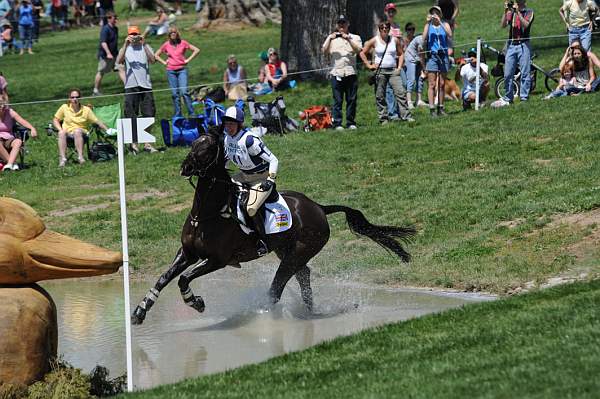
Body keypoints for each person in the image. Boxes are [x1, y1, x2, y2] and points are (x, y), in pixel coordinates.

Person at [223, 106, 278, 256]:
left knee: (251, 208)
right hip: (244, 175)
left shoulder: (249, 140)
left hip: (262, 177)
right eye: (226, 123)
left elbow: (273, 159)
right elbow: (227, 161)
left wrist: (271, 180)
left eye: (232, 124)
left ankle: (263, 241)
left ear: (239, 124)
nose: (228, 127)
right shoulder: (227, 138)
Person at [360, 21, 414, 125]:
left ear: (389, 29)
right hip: (380, 71)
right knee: (380, 95)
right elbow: (362, 52)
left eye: (386, 27)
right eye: (382, 28)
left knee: (400, 92)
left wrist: (399, 67)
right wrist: (368, 65)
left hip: (393, 70)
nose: (384, 29)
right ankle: (383, 118)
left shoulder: (394, 40)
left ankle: (406, 116)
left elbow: (401, 53)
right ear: (379, 29)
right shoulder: (375, 40)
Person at [116, 25, 158, 154]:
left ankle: (147, 143)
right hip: (131, 86)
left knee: (149, 114)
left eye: (136, 34)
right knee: (130, 114)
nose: (134, 37)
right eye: (132, 34)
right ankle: (133, 144)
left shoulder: (145, 46)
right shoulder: (126, 48)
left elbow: (153, 60)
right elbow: (119, 61)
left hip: (145, 85)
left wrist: (144, 44)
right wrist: (125, 44)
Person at [322, 14, 362, 130]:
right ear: (337, 25)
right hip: (336, 73)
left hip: (350, 73)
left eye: (344, 23)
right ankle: (338, 123)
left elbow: (358, 50)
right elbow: (324, 51)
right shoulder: (332, 39)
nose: (341, 25)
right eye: (339, 23)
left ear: (348, 24)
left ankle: (350, 122)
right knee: (337, 100)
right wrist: (330, 38)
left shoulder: (355, 37)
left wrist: (348, 39)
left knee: (351, 99)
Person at [491, 0, 534, 108]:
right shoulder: (511, 12)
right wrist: (506, 11)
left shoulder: (529, 12)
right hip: (511, 45)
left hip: (524, 44)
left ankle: (524, 97)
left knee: (525, 72)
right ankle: (508, 98)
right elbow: (503, 25)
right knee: (507, 73)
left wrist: (518, 12)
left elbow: (526, 25)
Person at [53, 89, 110, 166]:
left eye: (77, 97)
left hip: (82, 134)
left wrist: (108, 130)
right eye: (72, 97)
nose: (75, 99)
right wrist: (60, 129)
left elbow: (97, 121)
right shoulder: (64, 107)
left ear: (80, 98)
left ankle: (80, 157)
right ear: (69, 98)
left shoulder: (86, 110)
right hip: (67, 134)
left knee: (77, 131)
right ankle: (63, 159)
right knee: (61, 132)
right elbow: (55, 119)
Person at [155, 26, 200, 117]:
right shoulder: (166, 45)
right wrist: (164, 62)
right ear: (169, 35)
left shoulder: (183, 43)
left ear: (177, 34)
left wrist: (187, 60)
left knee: (184, 92)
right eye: (171, 33)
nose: (173, 34)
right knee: (175, 94)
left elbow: (196, 50)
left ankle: (191, 113)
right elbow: (156, 55)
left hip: (182, 70)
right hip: (171, 71)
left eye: (174, 32)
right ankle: (178, 114)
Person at [422, 5, 453, 117]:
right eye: (433, 13)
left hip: (443, 55)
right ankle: (432, 109)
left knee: (442, 83)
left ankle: (441, 107)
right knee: (432, 83)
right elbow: (424, 38)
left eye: (437, 13)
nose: (434, 15)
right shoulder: (428, 26)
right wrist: (427, 23)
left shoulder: (445, 24)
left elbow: (450, 35)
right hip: (432, 56)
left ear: (440, 14)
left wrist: (439, 23)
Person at [0, 99, 36, 171]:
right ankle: (13, 163)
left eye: (3, 104)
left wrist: (32, 128)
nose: (3, 106)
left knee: (18, 142)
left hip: (9, 137)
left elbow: (22, 121)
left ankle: (9, 165)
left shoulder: (10, 112)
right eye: (0, 105)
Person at [93, 11, 124, 96]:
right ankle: (95, 90)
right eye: (114, 18)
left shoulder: (116, 29)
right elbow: (103, 42)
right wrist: (108, 53)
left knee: (121, 68)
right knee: (101, 72)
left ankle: (128, 88)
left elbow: (115, 42)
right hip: (105, 55)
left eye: (116, 18)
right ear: (109, 19)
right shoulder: (105, 29)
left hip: (115, 54)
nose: (116, 20)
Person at [383, 3, 402, 120]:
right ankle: (391, 112)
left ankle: (399, 110)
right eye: (389, 11)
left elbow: (400, 43)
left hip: (397, 59)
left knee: (401, 85)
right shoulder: (383, 26)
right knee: (390, 88)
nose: (391, 13)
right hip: (387, 60)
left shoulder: (397, 26)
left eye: (393, 11)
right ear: (385, 12)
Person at [403, 23, 427, 109]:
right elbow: (422, 55)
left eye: (413, 29)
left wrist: (423, 69)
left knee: (420, 78)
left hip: (417, 59)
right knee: (412, 79)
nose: (411, 31)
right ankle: (409, 101)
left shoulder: (427, 40)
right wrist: (424, 68)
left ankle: (419, 100)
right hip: (410, 58)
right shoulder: (420, 39)